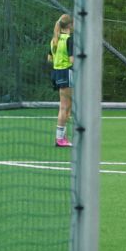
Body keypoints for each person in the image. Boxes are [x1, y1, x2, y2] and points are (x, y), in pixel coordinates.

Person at [48, 13, 73, 150]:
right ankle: (59, 139)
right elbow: (72, 61)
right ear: (70, 25)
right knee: (64, 107)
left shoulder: (54, 40)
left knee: (67, 107)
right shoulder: (69, 39)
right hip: (66, 72)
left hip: (56, 73)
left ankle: (62, 137)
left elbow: (49, 58)